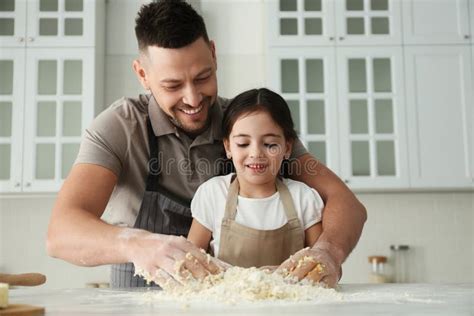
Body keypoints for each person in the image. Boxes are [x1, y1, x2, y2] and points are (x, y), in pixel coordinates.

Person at [46, 0, 366, 288]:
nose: (193, 99)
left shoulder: (246, 128)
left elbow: (345, 202)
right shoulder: (119, 126)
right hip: (137, 304)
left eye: (202, 77)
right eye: (173, 85)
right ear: (142, 74)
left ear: (213, 54)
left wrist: (328, 252)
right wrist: (136, 244)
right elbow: (62, 232)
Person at [188, 88, 324, 269]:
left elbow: (321, 265)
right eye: (243, 144)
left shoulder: (303, 198)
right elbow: (191, 262)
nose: (255, 153)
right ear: (228, 147)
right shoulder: (213, 194)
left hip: (291, 297)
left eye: (269, 144)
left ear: (287, 148)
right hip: (228, 297)